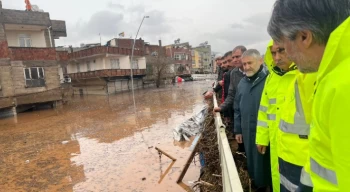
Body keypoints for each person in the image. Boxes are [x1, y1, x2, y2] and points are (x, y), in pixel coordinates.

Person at [267, 0, 350, 191]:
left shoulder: (342, 85)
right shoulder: (332, 75)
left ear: (304, 36)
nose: (285, 54)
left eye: (284, 44)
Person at [256, 40, 298, 192]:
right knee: (277, 178)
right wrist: (262, 138)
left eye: (282, 51)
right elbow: (264, 111)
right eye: (273, 53)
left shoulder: (304, 76)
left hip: (298, 147)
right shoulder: (271, 78)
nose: (277, 57)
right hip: (275, 141)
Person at [234, 49, 271, 191]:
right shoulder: (242, 83)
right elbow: (237, 107)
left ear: (260, 61)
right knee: (252, 163)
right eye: (244, 64)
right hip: (247, 131)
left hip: (265, 132)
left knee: (265, 164)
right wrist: (238, 129)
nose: (247, 67)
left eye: (250, 63)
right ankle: (256, 185)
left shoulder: (269, 80)